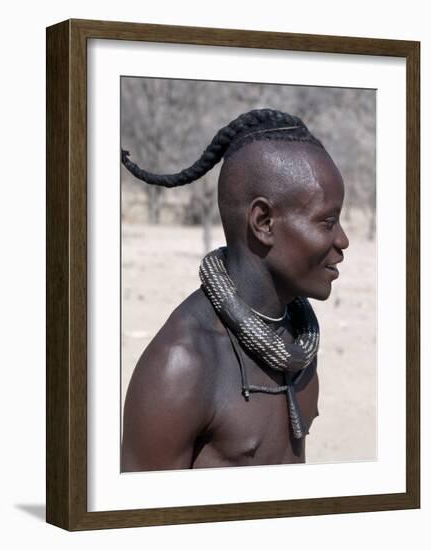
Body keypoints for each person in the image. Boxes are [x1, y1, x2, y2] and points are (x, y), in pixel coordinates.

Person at [121, 109, 349, 471]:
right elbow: (141, 523)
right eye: (327, 221)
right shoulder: (181, 367)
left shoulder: (297, 341)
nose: (343, 241)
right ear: (263, 222)